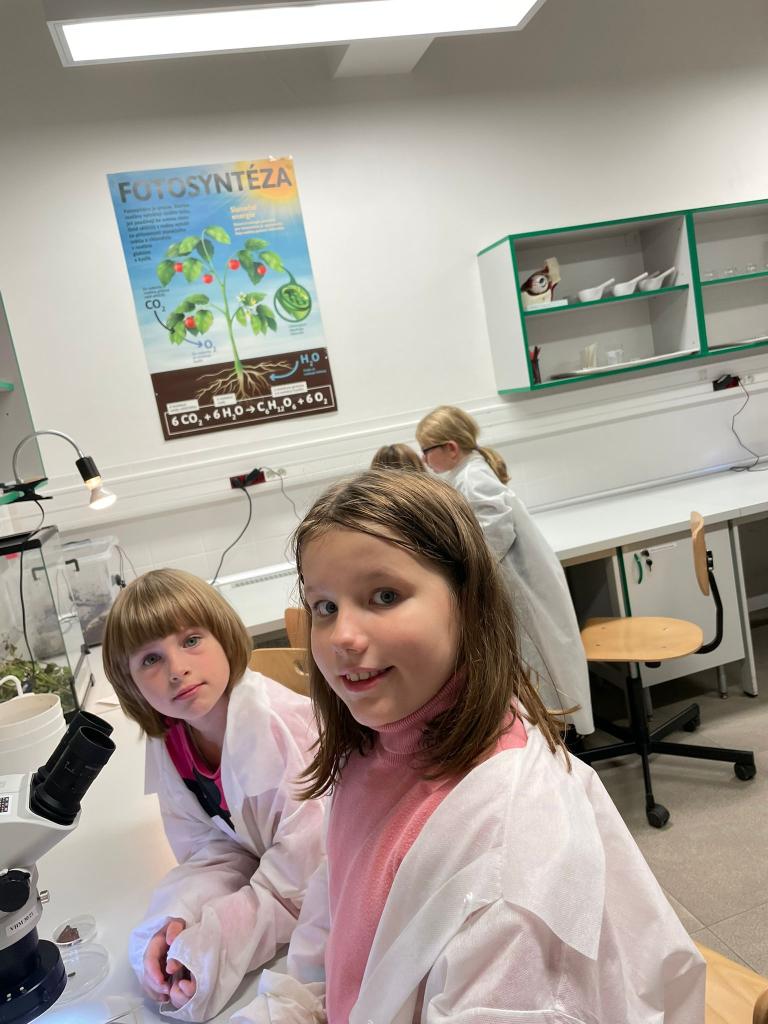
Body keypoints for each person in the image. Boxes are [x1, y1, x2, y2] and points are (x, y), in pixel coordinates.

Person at [231, 470, 704, 1024]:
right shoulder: (376, 747)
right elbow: (334, 921)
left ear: (469, 602)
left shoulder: (510, 859)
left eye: (385, 596)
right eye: (325, 607)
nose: (342, 637)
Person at [102, 569, 325, 1023]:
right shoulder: (171, 739)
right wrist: (174, 923)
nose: (176, 670)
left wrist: (213, 948)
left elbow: (300, 885)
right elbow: (215, 847)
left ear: (223, 636)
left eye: (191, 641)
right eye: (150, 659)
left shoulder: (285, 733)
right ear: (129, 684)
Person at [416, 404, 593, 736]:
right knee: (535, 666)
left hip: (518, 587)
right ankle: (550, 730)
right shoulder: (467, 474)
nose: (424, 460)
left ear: (451, 448)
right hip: (516, 583)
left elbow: (494, 531)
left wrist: (464, 572)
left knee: (537, 666)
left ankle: (556, 735)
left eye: (427, 450)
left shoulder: (473, 478)